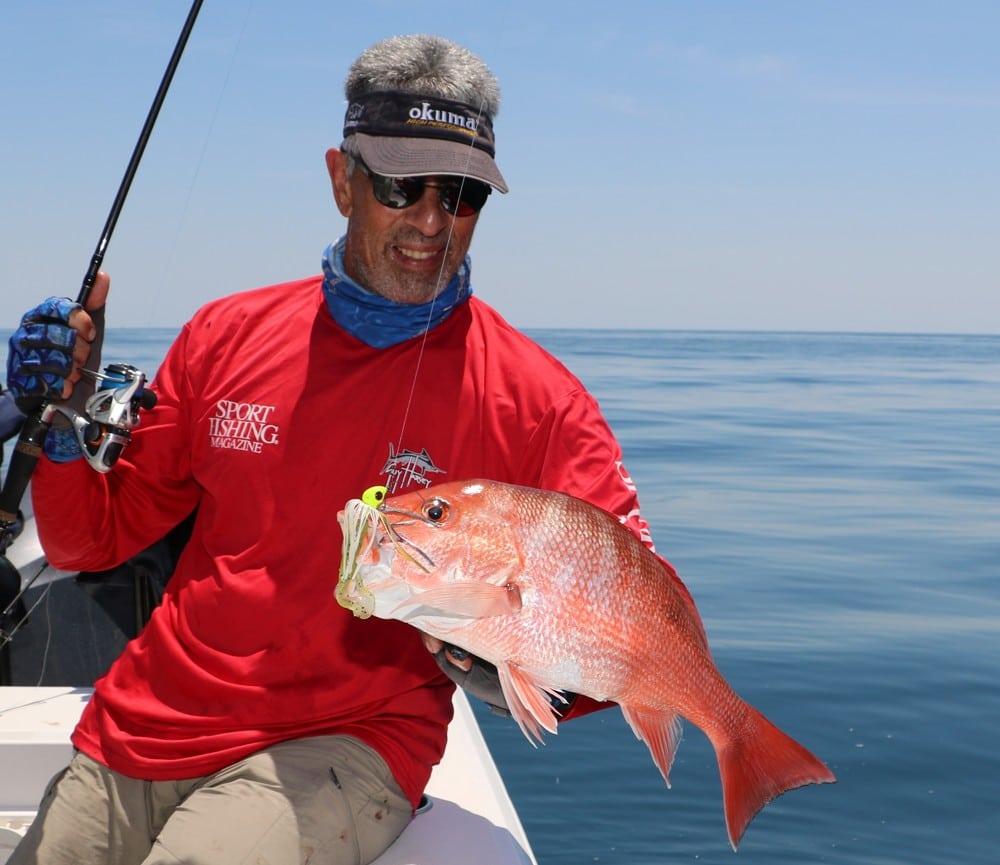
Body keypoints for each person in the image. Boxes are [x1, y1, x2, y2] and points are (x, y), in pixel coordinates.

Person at [4, 34, 669, 865]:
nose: (431, 221)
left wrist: (522, 680)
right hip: (143, 720)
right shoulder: (222, 335)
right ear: (340, 180)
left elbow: (636, 614)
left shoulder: (542, 402)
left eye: (461, 195)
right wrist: (63, 417)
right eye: (399, 185)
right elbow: (85, 542)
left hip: (347, 742)